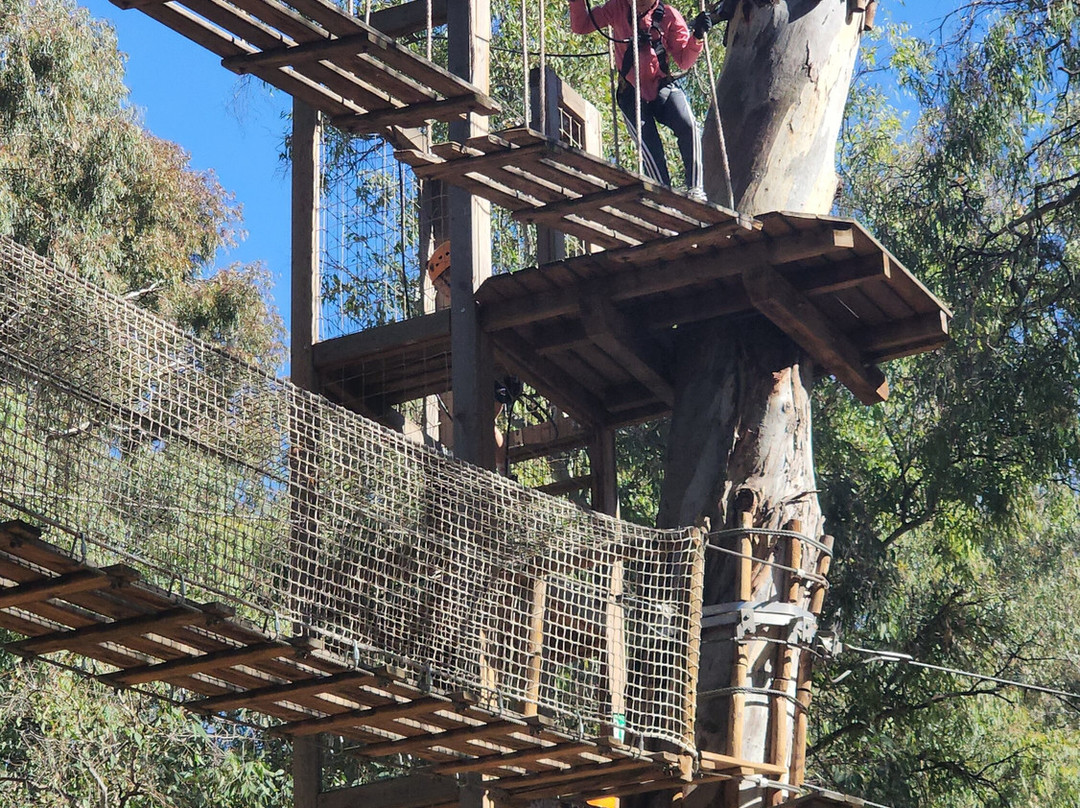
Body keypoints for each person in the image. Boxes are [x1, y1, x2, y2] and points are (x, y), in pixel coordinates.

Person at [568, 0, 712, 198]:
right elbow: (581, 25)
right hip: (631, 93)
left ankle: (696, 188)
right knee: (650, 147)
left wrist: (696, 37)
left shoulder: (669, 16)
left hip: (662, 87)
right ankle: (663, 195)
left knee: (688, 126)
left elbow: (684, 61)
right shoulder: (617, 9)